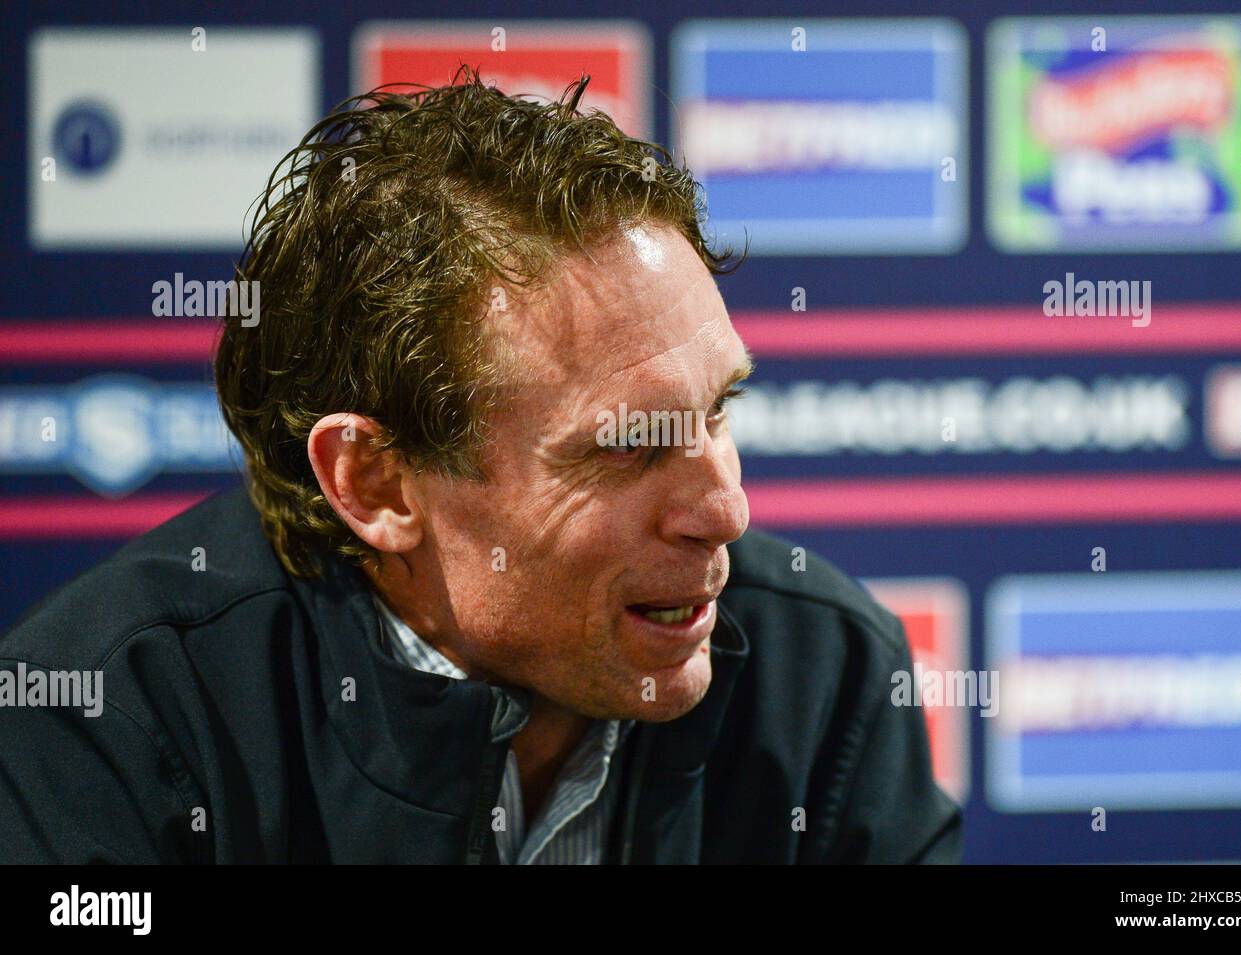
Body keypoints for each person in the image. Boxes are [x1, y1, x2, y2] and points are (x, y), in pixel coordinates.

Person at [0, 69, 961, 863]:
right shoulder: (104, 720)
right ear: (374, 481)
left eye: (719, 411)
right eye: (629, 445)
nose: (726, 509)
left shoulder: (827, 677)